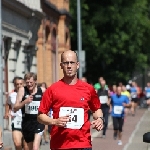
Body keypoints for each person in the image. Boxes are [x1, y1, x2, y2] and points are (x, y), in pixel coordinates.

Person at [37, 50, 104, 150]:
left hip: (83, 144)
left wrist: (99, 119)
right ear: (61, 65)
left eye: (72, 62)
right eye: (66, 63)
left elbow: (96, 109)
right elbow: (40, 116)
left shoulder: (88, 89)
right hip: (60, 145)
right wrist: (54, 121)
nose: (69, 66)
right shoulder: (52, 89)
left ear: (77, 65)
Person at [14, 72, 46, 150]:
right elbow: (15, 108)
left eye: (31, 82)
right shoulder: (22, 90)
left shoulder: (42, 90)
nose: (29, 84)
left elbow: (49, 103)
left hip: (39, 122)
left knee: (35, 147)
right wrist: (25, 102)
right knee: (29, 148)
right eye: (27, 82)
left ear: (35, 81)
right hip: (27, 123)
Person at [5, 77, 28, 150]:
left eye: (21, 84)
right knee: (17, 144)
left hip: (27, 122)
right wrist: (7, 112)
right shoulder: (12, 95)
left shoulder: (27, 94)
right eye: (17, 84)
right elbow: (7, 104)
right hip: (16, 121)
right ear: (14, 85)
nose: (19, 85)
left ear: (24, 84)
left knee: (26, 146)